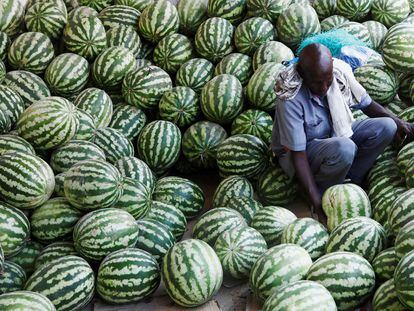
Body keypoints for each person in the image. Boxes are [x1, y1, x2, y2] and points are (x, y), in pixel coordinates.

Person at [271, 43, 414, 223]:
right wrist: (316, 200)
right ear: (302, 74)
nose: (324, 87)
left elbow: (367, 104)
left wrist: (400, 122)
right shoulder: (290, 97)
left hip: (334, 136)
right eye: (317, 82)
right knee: (345, 148)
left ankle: (351, 181)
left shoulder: (338, 72)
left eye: (327, 80)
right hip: (301, 154)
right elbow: (297, 154)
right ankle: (323, 191)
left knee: (387, 127)